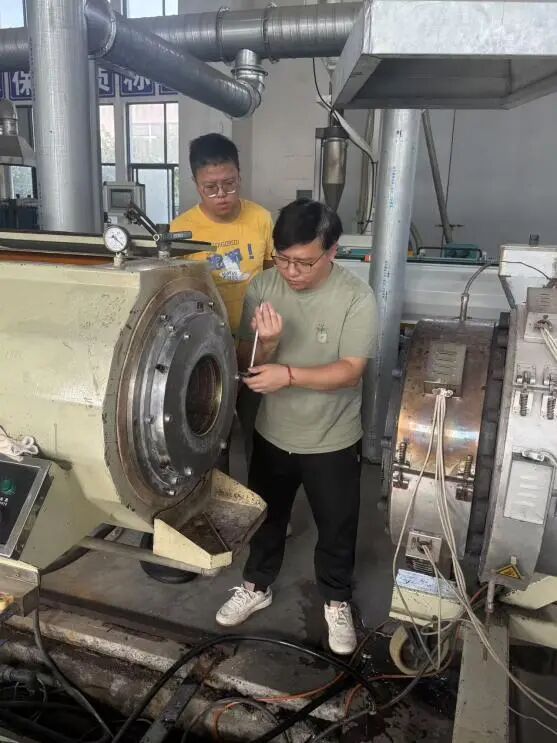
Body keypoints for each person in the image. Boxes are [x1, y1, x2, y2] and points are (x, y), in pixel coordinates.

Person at [215, 199, 378, 655]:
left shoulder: (356, 297)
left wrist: (288, 375)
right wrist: (267, 344)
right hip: (273, 433)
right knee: (266, 518)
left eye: (304, 262)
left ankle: (336, 599)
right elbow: (246, 361)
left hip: (332, 438)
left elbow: (351, 372)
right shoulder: (264, 285)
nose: (291, 272)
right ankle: (256, 585)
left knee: (337, 526)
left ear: (332, 251)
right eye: (283, 259)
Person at [170, 133, 274, 337]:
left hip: (254, 333)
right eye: (210, 187)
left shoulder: (261, 218)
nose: (221, 194)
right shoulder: (180, 229)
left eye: (229, 184)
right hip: (204, 335)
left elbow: (272, 276)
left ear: (239, 177)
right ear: (196, 183)